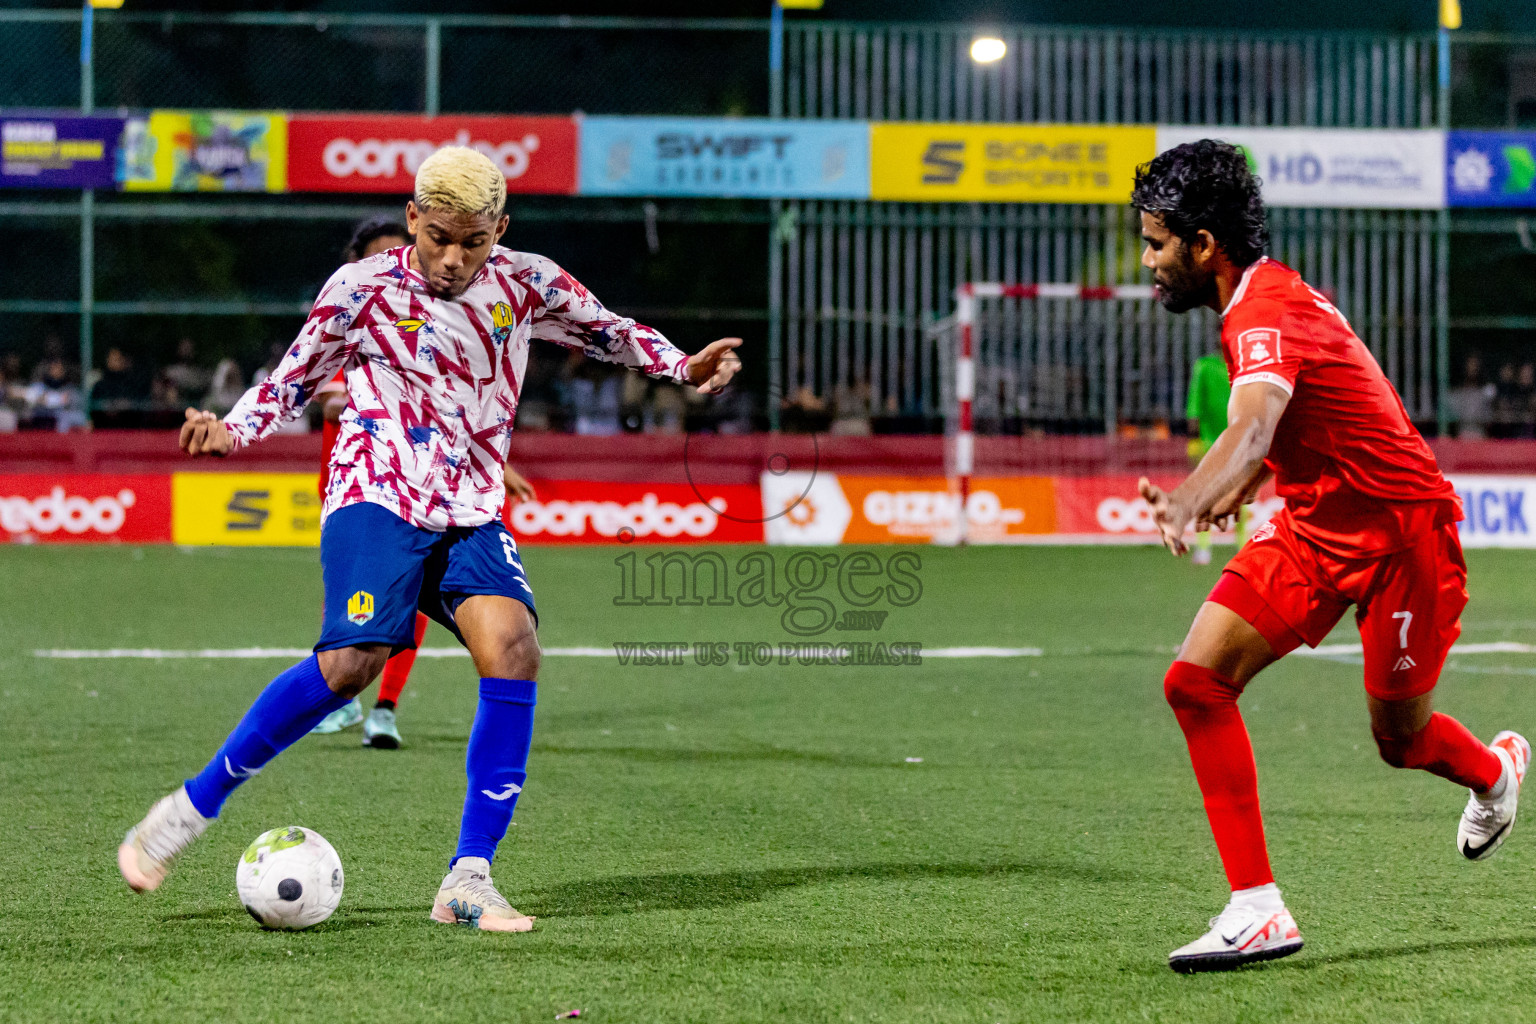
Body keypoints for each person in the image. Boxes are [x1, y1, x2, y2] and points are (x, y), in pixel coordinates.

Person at [117, 146, 743, 931]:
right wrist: (231, 431)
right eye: (439, 236)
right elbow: (291, 379)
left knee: (513, 645)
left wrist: (684, 367)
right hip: (376, 492)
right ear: (413, 218)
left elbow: (607, 331)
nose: (453, 258)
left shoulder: (528, 282)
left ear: (499, 231)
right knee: (351, 664)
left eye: (472, 241)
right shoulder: (362, 289)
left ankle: (468, 878)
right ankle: (185, 811)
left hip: (469, 507)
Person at [1131, 140, 1527, 973]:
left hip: (1402, 539)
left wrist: (1197, 495)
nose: (1148, 261)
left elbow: (1255, 426)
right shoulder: (1257, 304)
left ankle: (1495, 771)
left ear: (1205, 245)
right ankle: (1258, 908)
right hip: (1314, 530)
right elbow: (1293, 432)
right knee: (1195, 681)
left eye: (1157, 243)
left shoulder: (1262, 309)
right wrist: (1246, 485)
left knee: (1400, 739)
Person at [307, 215, 539, 749]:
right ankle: (342, 697)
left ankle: (384, 708)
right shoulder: (351, 314)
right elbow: (319, 391)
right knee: (352, 615)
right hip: (359, 485)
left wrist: (493, 464)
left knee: (407, 605)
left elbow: (449, 414)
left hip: (424, 493)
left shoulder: (437, 326)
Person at [1184, 346, 1247, 564]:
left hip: (1239, 439)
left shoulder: (1244, 366)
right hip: (1210, 441)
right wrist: (1193, 437)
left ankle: (1241, 546)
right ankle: (1203, 547)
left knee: (1241, 493)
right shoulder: (1205, 366)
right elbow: (1194, 404)